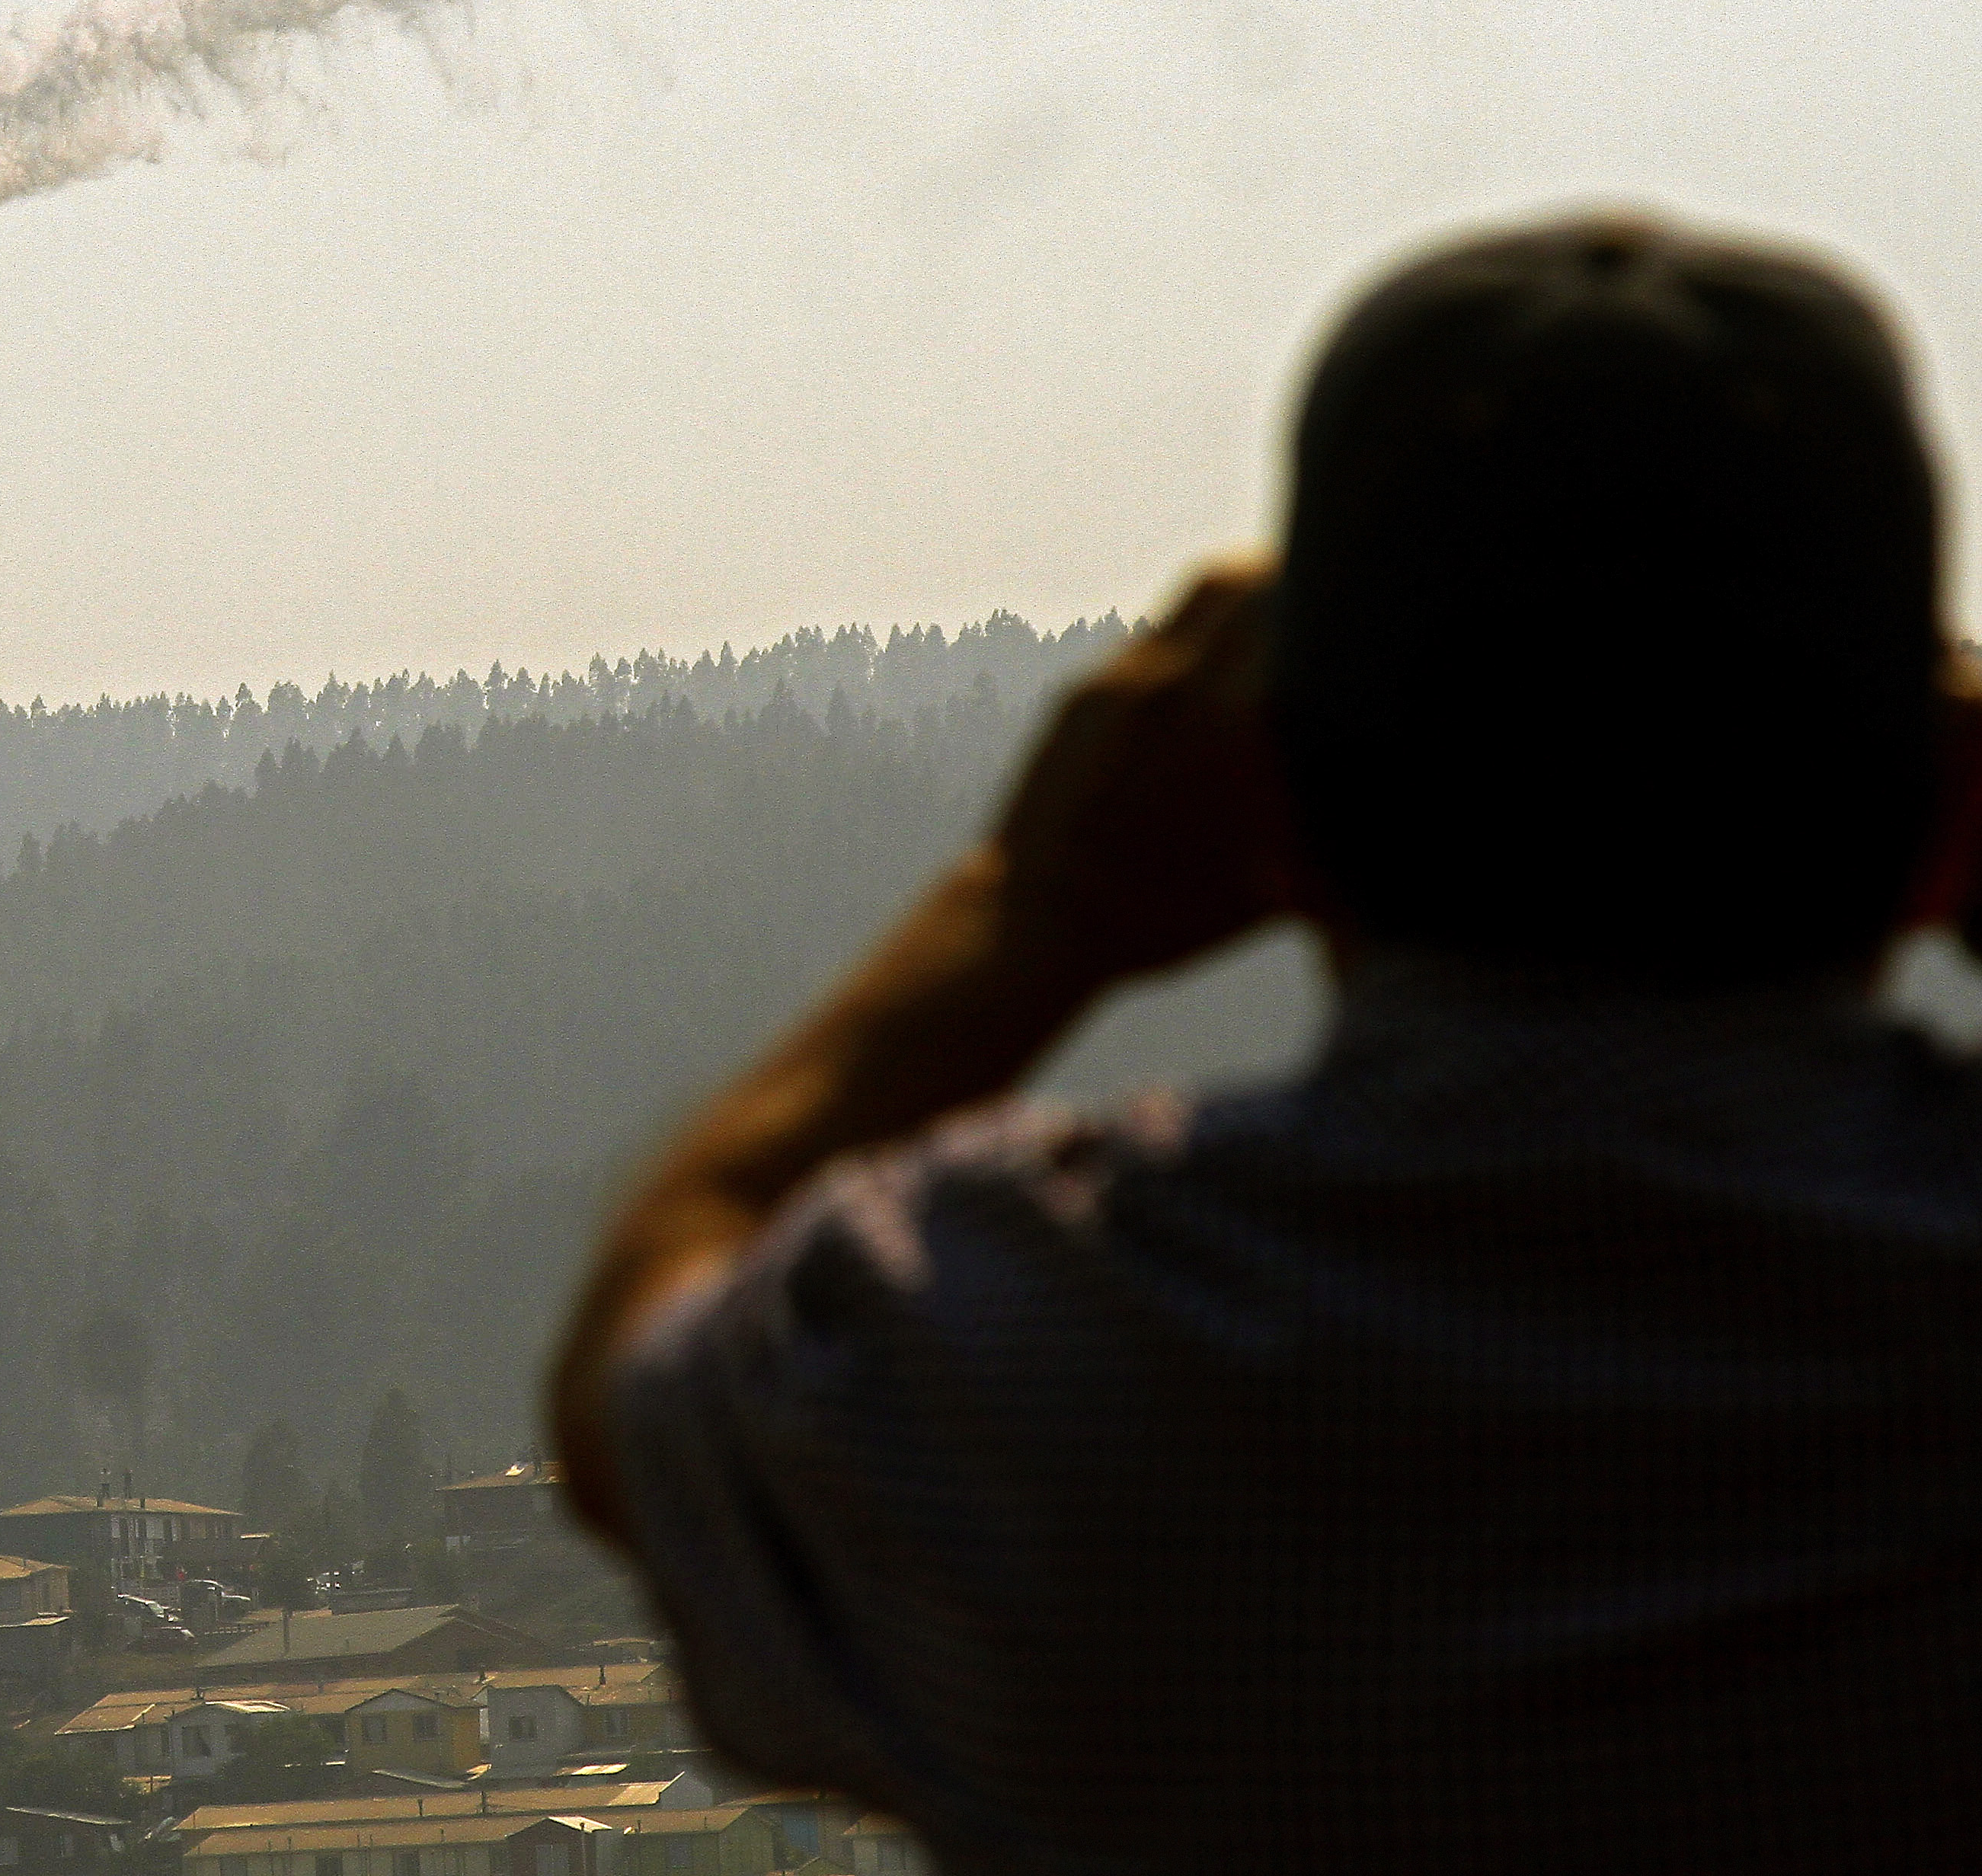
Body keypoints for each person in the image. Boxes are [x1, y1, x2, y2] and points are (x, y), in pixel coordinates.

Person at [551, 214, 1982, 1874]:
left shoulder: (1029, 1355)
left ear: (1268, 808)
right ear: (1938, 822)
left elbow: (631, 1387)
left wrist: (1031, 907)